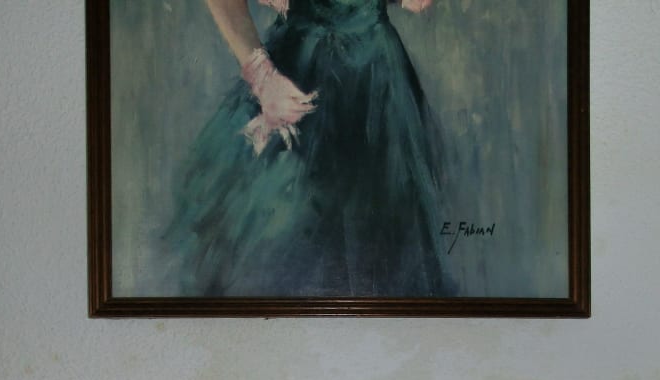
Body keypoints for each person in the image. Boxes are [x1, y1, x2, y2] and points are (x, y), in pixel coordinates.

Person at [157, 0, 453, 297]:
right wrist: (263, 78)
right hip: (299, 81)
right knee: (283, 249)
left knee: (382, 254)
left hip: (376, 88)